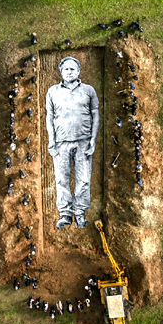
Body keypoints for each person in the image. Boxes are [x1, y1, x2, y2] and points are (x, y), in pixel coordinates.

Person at [46, 57, 100, 230]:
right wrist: (51, 140)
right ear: (61, 72)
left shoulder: (88, 90)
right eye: (66, 69)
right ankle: (65, 214)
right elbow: (49, 117)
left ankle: (80, 213)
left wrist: (93, 139)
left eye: (73, 69)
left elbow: (95, 115)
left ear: (79, 71)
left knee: (83, 179)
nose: (69, 72)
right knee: (62, 179)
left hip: (83, 141)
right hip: (61, 143)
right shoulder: (52, 91)